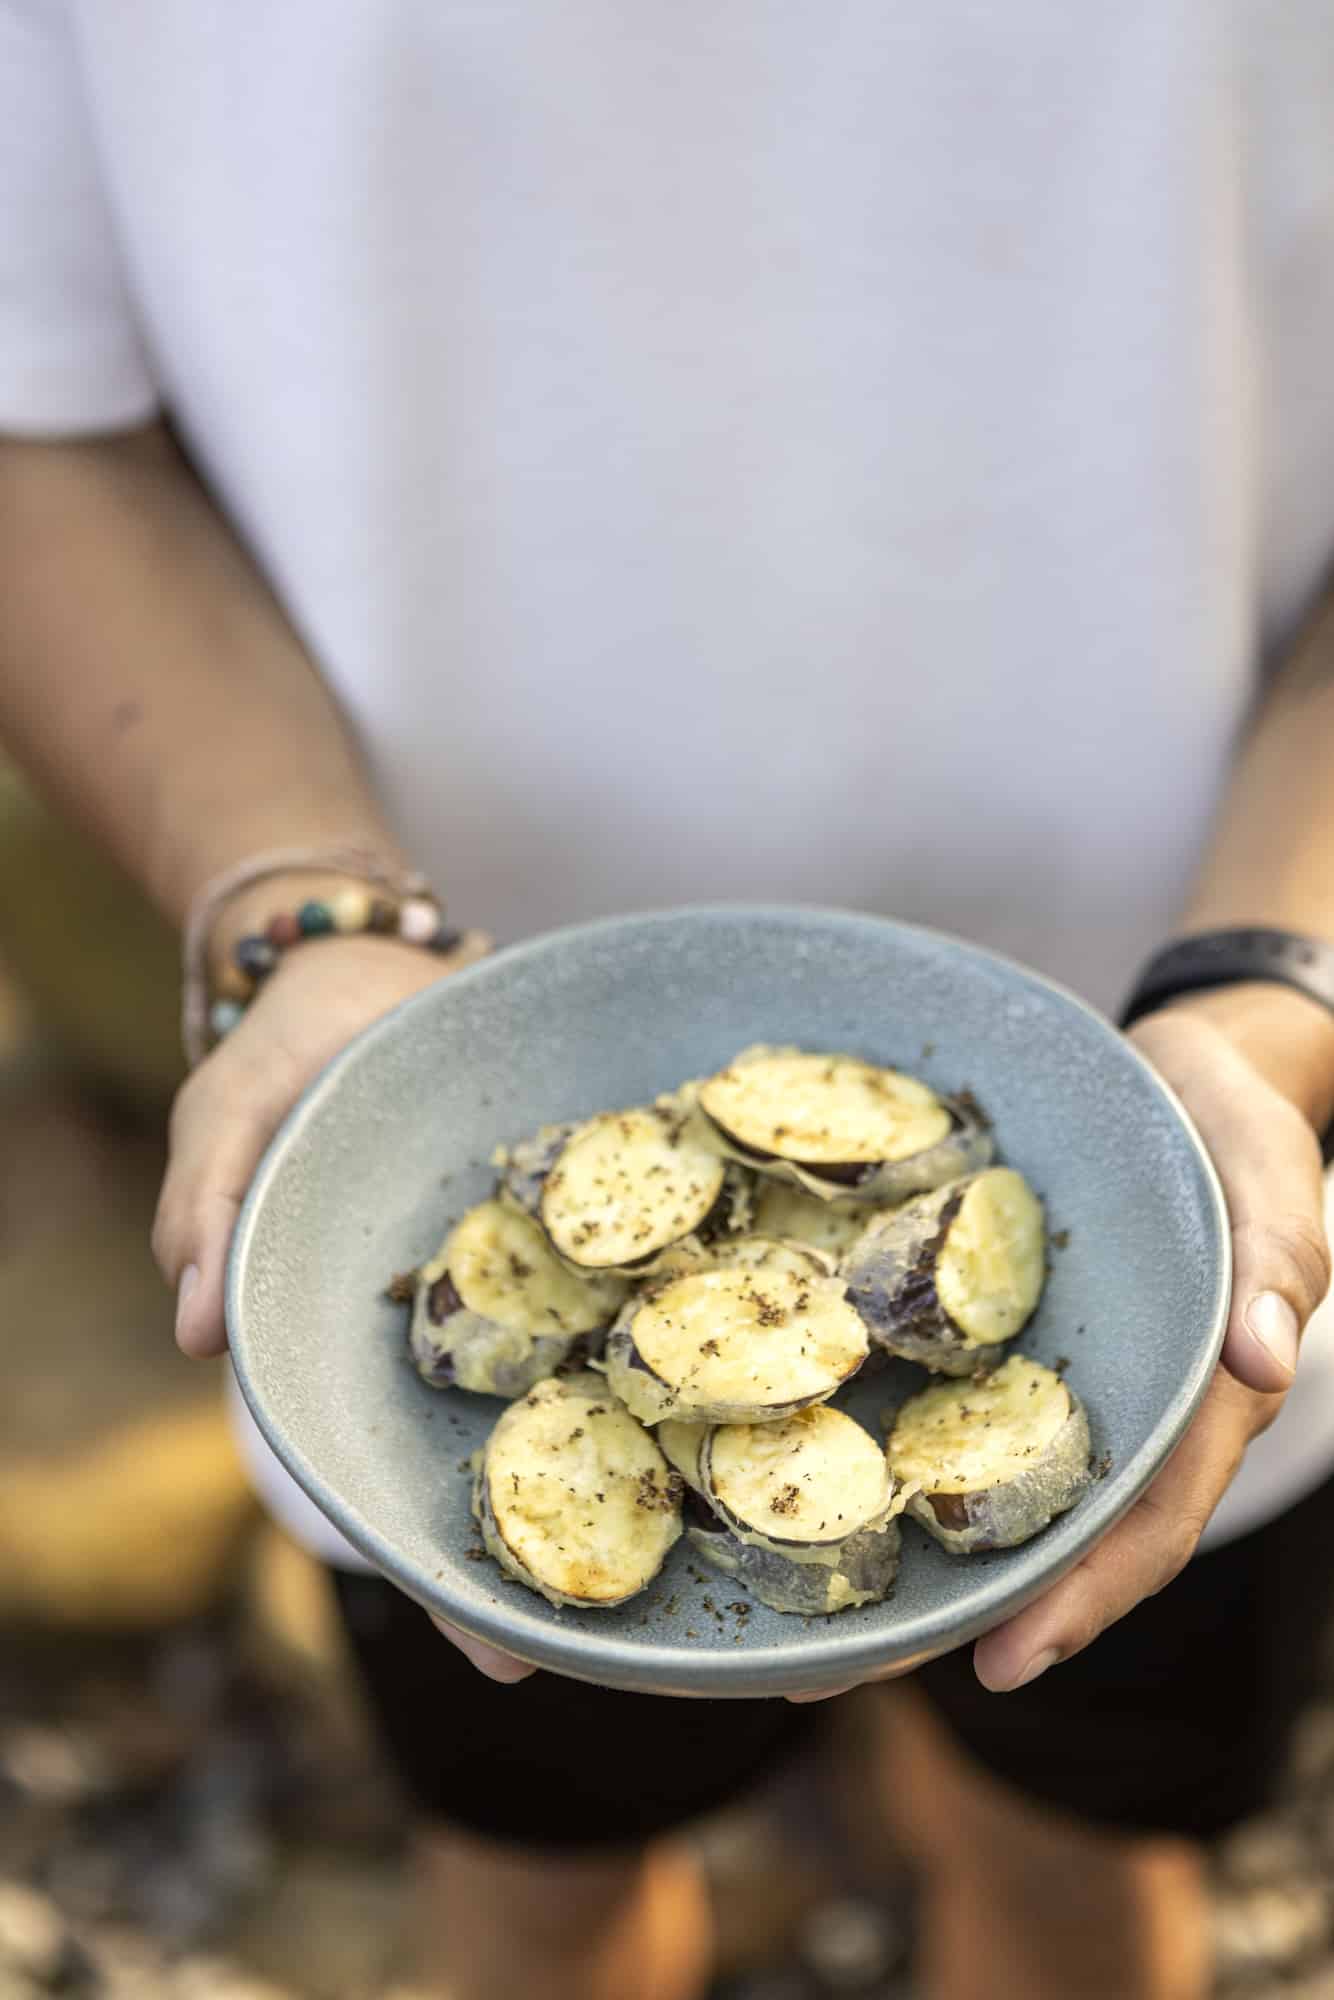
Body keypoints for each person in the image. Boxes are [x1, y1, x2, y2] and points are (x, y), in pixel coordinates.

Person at [3, 4, 1334, 1995]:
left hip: (1195, 1155)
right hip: (413, 1108)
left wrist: (1270, 982)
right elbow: (36, 400)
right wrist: (293, 902)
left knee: (1076, 1867)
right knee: (541, 1887)